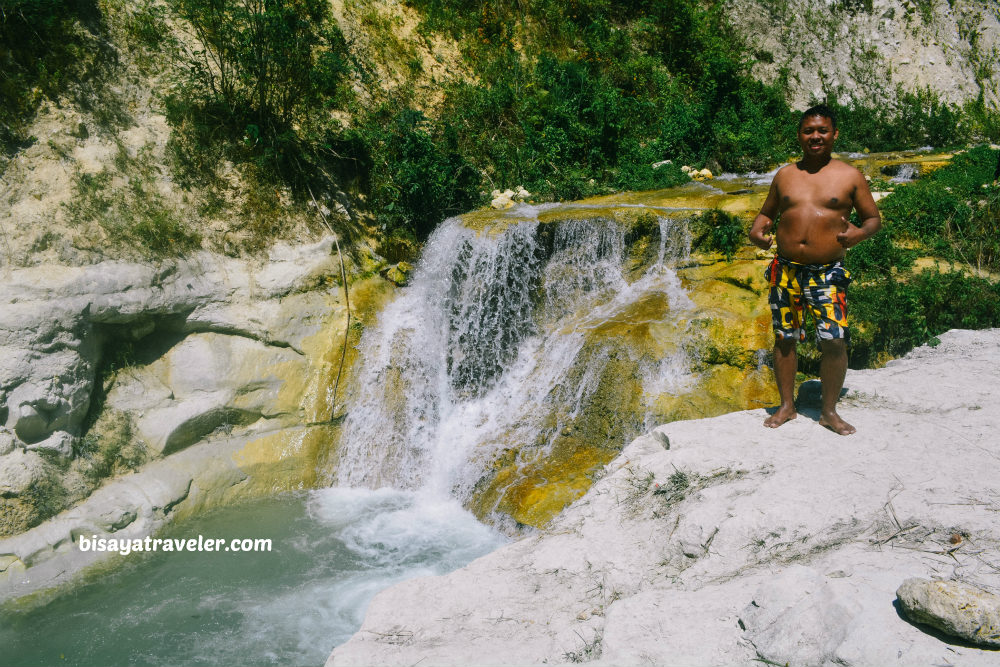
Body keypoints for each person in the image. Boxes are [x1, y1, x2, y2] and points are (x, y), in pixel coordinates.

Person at [748, 104, 881, 435]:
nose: (815, 136)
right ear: (800, 136)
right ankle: (787, 406)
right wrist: (758, 228)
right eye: (809, 131)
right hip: (785, 270)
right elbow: (767, 213)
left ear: (834, 135)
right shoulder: (785, 176)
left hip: (827, 272)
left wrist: (859, 233)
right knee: (784, 338)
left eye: (822, 130)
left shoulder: (850, 176)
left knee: (834, 340)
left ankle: (828, 411)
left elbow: (873, 219)